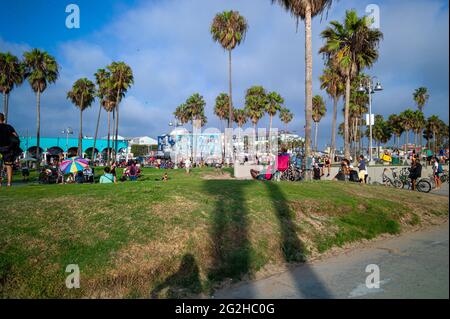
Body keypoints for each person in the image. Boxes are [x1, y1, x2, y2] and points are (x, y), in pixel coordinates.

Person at [0, 113, 20, 187]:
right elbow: (16, 136)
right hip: (8, 148)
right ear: (3, 119)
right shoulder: (9, 127)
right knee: (9, 166)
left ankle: (0, 183)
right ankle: (9, 183)